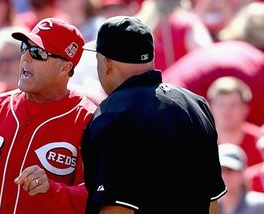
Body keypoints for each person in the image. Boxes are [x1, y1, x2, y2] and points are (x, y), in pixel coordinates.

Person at [81, 16, 227, 213]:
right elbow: (212, 202)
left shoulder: (112, 114)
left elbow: (116, 208)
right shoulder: (196, 104)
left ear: (106, 63)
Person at [0, 17, 97, 213]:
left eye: (38, 52)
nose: (26, 57)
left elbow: (97, 198)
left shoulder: (87, 119)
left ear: (65, 67)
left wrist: (52, 189)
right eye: (25, 47)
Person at [207, 76, 262, 167]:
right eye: (221, 104)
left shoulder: (259, 143)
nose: (227, 110)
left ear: (246, 108)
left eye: (233, 104)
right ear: (211, 107)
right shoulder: (199, 141)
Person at [217, 143, 264, 214]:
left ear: (242, 173)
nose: (224, 175)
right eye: (219, 170)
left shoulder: (260, 206)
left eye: (230, 169)